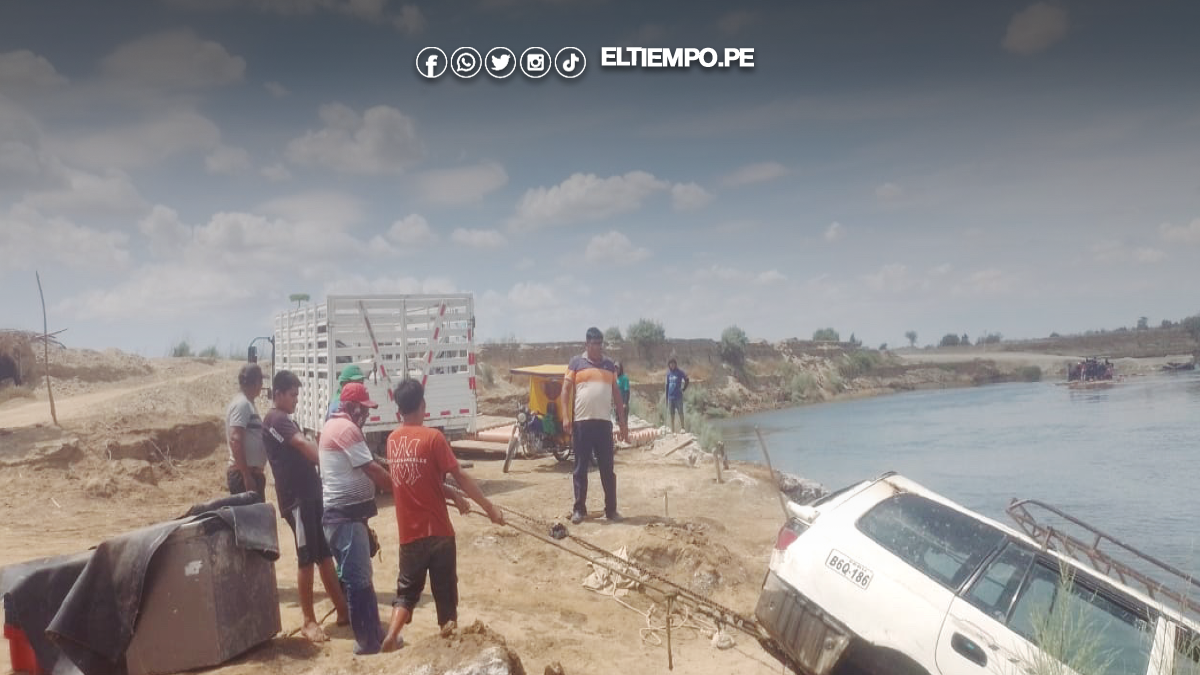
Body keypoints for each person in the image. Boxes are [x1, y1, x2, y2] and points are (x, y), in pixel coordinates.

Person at [380, 379, 505, 652]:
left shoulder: (392, 441)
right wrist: (490, 509)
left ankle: (392, 633)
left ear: (399, 409)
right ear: (423, 404)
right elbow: (460, 475)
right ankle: (449, 646)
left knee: (406, 592)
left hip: (409, 534)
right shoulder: (433, 438)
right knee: (445, 594)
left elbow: (421, 481)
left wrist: (453, 495)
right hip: (438, 531)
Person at [263, 370, 349, 643]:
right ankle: (308, 621)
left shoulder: (287, 419)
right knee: (306, 558)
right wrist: (330, 464)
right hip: (297, 499)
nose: (296, 400)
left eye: (297, 395)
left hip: (310, 496)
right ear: (278, 394)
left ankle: (344, 610)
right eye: (292, 395)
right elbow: (302, 444)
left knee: (323, 554)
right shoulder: (276, 419)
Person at [319, 381, 394, 655]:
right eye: (364, 409)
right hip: (345, 518)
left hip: (347, 518)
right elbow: (372, 469)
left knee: (362, 578)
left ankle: (375, 635)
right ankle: (365, 641)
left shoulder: (335, 426)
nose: (367, 415)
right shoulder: (346, 429)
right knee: (358, 582)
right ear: (351, 407)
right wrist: (401, 491)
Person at [560, 327, 628, 525]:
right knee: (580, 468)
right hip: (582, 423)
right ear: (587, 345)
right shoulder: (576, 363)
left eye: (600, 343)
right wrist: (566, 416)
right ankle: (579, 510)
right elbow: (565, 391)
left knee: (607, 468)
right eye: (594, 344)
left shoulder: (609, 365)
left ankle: (611, 510)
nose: (598, 347)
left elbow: (616, 393)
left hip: (604, 425)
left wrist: (622, 422)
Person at [226, 363, 267, 497]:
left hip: (251, 474)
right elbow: (235, 440)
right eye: (261, 381)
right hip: (244, 476)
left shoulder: (248, 404)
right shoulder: (242, 404)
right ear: (255, 383)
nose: (262, 386)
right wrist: (246, 476)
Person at [665, 358, 689, 433]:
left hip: (678, 397)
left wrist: (683, 389)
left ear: (675, 364)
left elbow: (687, 379)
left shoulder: (680, 372)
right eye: (670, 364)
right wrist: (666, 397)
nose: (672, 365)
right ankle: (673, 430)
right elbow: (667, 385)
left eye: (673, 364)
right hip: (670, 397)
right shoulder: (668, 374)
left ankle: (683, 428)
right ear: (669, 365)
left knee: (680, 412)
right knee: (672, 414)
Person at [615, 361, 630, 428]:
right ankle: (621, 437)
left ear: (620, 368)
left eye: (617, 368)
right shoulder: (615, 378)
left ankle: (626, 437)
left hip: (623, 404)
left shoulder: (624, 378)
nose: (616, 369)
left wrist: (625, 403)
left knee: (624, 423)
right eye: (615, 368)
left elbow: (627, 391)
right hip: (617, 405)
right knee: (617, 422)